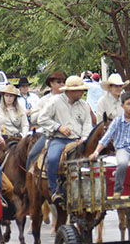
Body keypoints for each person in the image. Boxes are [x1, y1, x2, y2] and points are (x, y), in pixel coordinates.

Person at [38, 75, 92, 203]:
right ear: (71, 91)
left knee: (93, 160)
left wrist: (84, 138)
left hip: (78, 140)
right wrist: (58, 127)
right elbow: (42, 119)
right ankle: (55, 189)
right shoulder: (55, 102)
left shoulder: (84, 105)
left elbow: (88, 124)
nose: (83, 92)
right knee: (52, 159)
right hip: (59, 139)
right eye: (80, 90)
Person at [89, 92, 130, 195]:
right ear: (122, 106)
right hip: (122, 148)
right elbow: (106, 138)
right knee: (123, 163)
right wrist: (96, 152)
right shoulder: (117, 121)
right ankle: (118, 190)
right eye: (128, 104)